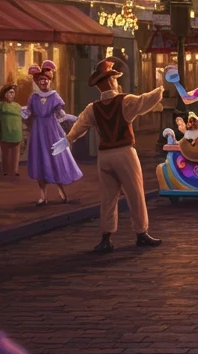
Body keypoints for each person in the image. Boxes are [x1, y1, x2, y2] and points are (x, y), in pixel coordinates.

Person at [64, 56, 166, 252]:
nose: (117, 82)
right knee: (135, 193)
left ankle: (106, 237)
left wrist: (68, 139)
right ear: (111, 81)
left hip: (105, 156)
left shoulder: (92, 108)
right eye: (115, 79)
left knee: (108, 197)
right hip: (124, 153)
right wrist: (161, 86)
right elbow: (147, 100)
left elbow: (79, 127)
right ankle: (141, 232)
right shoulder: (125, 101)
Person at [21, 61, 81, 206]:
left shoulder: (54, 96)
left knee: (57, 158)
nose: (44, 82)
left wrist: (74, 120)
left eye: (46, 80)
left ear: (50, 81)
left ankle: (62, 191)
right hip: (38, 131)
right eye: (41, 80)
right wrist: (20, 111)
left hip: (52, 130)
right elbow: (29, 112)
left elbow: (60, 115)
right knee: (40, 160)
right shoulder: (33, 97)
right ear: (37, 82)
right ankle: (43, 195)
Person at [0, 84, 23, 177]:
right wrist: (1, 125)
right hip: (5, 132)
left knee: (16, 152)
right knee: (5, 152)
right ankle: (5, 170)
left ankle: (15, 170)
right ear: (4, 94)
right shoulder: (0, 105)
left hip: (16, 132)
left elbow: (21, 117)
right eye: (10, 93)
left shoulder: (17, 106)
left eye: (13, 93)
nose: (12, 95)